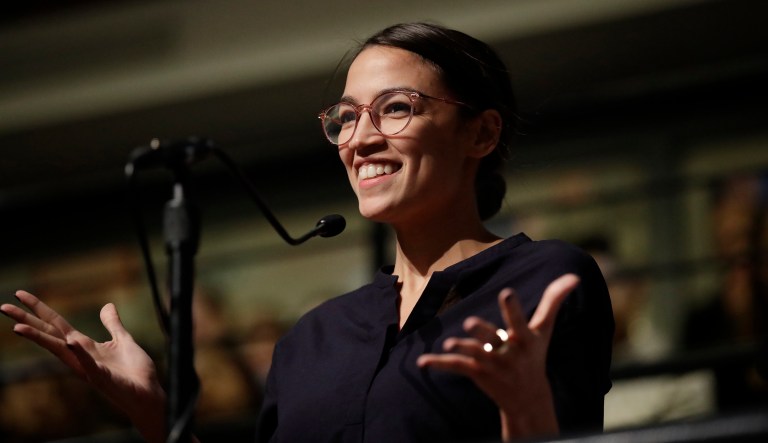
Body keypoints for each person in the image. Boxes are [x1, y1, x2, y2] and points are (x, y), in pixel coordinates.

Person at [1, 22, 614, 443]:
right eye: (345, 117)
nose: (360, 138)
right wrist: (156, 414)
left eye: (396, 107)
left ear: (480, 134)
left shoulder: (541, 280)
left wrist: (522, 399)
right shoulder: (314, 339)